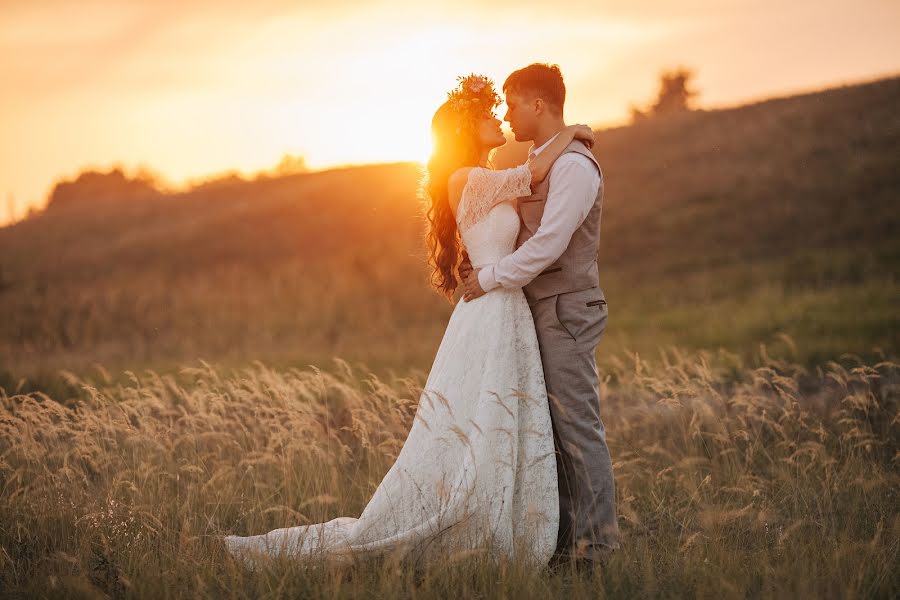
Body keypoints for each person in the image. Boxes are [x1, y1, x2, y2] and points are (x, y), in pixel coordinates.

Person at [221, 73, 595, 570]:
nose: (498, 118)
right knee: (484, 420)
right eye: (488, 114)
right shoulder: (466, 178)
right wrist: (572, 132)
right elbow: (532, 173)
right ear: (467, 128)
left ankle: (510, 518)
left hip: (505, 308)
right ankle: (480, 525)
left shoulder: (479, 176)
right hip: (491, 307)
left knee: (502, 421)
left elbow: (527, 176)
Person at [460, 63, 619, 569]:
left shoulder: (573, 166)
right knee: (550, 431)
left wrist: (489, 277)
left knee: (577, 427)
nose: (508, 115)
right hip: (539, 308)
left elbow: (551, 244)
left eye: (512, 104)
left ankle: (595, 551)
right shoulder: (542, 160)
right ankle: (562, 542)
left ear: (537, 104)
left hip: (567, 307)